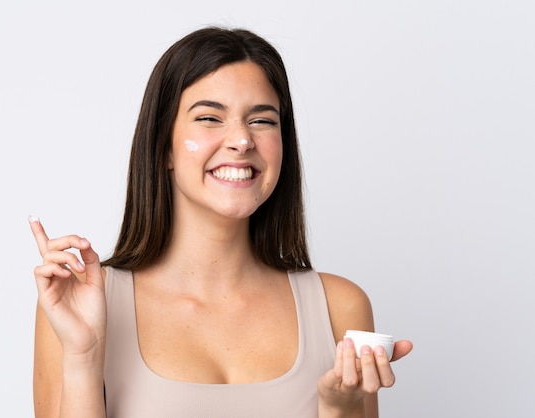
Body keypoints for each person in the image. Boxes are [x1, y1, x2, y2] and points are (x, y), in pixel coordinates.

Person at [29, 27, 413, 418]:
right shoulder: (80, 305)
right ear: (164, 147)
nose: (242, 140)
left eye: (262, 121)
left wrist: (340, 409)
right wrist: (84, 356)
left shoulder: (340, 306)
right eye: (210, 117)